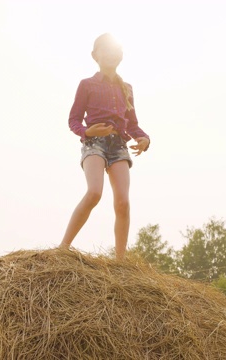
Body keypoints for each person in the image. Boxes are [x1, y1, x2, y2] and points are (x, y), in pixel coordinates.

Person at [59, 33, 150, 260]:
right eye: (105, 51)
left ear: (121, 55)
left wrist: (144, 139)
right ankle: (63, 248)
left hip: (119, 146)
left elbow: (133, 124)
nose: (110, 55)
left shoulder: (126, 88)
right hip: (94, 143)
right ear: (95, 56)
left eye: (114, 51)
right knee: (94, 193)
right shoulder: (87, 85)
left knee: (123, 202)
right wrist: (87, 132)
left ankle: (120, 262)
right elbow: (74, 119)